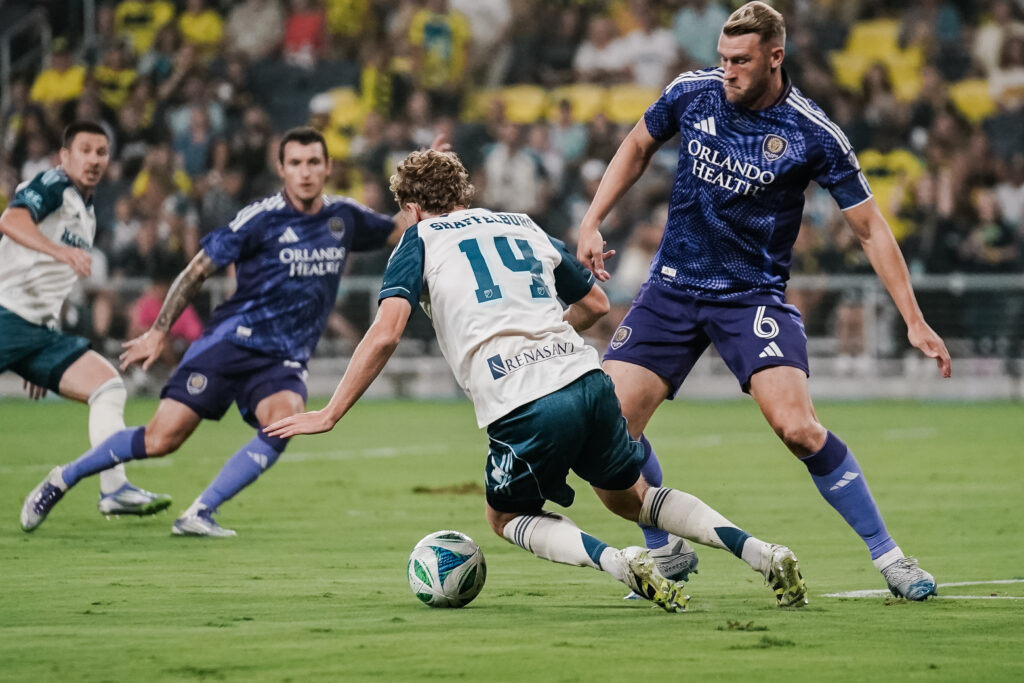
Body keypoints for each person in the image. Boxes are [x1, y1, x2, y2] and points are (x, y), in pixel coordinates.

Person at [264, 149, 808, 610]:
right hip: (586, 378)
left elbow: (385, 334)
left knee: (504, 515)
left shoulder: (420, 238)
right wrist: (547, 339)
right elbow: (596, 304)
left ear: (411, 208)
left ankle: (621, 562)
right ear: (463, 193)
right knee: (633, 498)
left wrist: (330, 411)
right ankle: (763, 552)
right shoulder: (521, 224)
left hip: (522, 400)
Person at [575, 2, 952, 601]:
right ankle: (665, 549)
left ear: (776, 57)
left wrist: (914, 319)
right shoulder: (692, 92)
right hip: (671, 289)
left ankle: (891, 558)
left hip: (751, 300)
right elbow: (637, 145)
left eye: (741, 61)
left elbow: (870, 229)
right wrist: (593, 219)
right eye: (724, 58)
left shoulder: (812, 132)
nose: (728, 70)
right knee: (609, 433)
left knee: (798, 429)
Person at [21, 127, 418, 536]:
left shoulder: (344, 217)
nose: (305, 172)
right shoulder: (259, 219)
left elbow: (396, 229)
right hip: (231, 343)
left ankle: (199, 512)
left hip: (282, 358)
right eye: (296, 163)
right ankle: (62, 478)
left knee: (284, 420)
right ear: (281, 168)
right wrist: (159, 331)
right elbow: (197, 270)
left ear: (328, 167)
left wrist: (425, 190)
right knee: (161, 439)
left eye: (313, 162)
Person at [3, 121, 171, 524]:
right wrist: (58, 251)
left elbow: (47, 282)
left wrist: (41, 342)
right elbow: (11, 220)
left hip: (37, 333)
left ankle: (115, 490)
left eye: (101, 152)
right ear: (65, 156)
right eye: (85, 150)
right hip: (5, 315)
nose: (94, 159)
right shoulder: (53, 184)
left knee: (108, 386)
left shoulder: (87, 212)